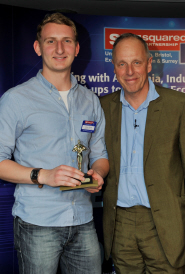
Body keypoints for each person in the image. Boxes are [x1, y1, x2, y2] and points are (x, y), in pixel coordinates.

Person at [0, 13, 109, 274]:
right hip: (37, 223)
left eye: (67, 41)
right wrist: (44, 175)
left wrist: (99, 174)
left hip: (83, 221)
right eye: (51, 41)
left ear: (77, 47)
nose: (59, 49)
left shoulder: (91, 101)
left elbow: (100, 154)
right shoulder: (16, 99)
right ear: (38, 47)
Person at [100, 33, 185, 274]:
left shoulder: (178, 105)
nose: (130, 71)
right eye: (122, 64)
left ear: (149, 64)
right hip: (120, 225)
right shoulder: (102, 107)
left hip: (167, 225)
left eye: (136, 62)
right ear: (114, 67)